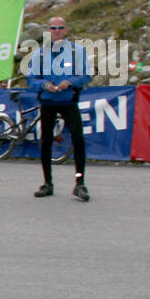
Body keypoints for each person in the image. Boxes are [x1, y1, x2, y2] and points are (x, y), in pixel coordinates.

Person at [26, 17, 91, 201]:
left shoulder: (77, 51)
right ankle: (48, 182)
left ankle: (80, 182)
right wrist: (45, 85)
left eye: (60, 27)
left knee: (78, 139)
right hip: (48, 102)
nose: (57, 31)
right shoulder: (39, 54)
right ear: (48, 30)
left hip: (68, 101)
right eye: (53, 28)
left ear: (66, 29)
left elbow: (86, 74)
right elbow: (31, 79)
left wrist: (70, 82)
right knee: (46, 142)